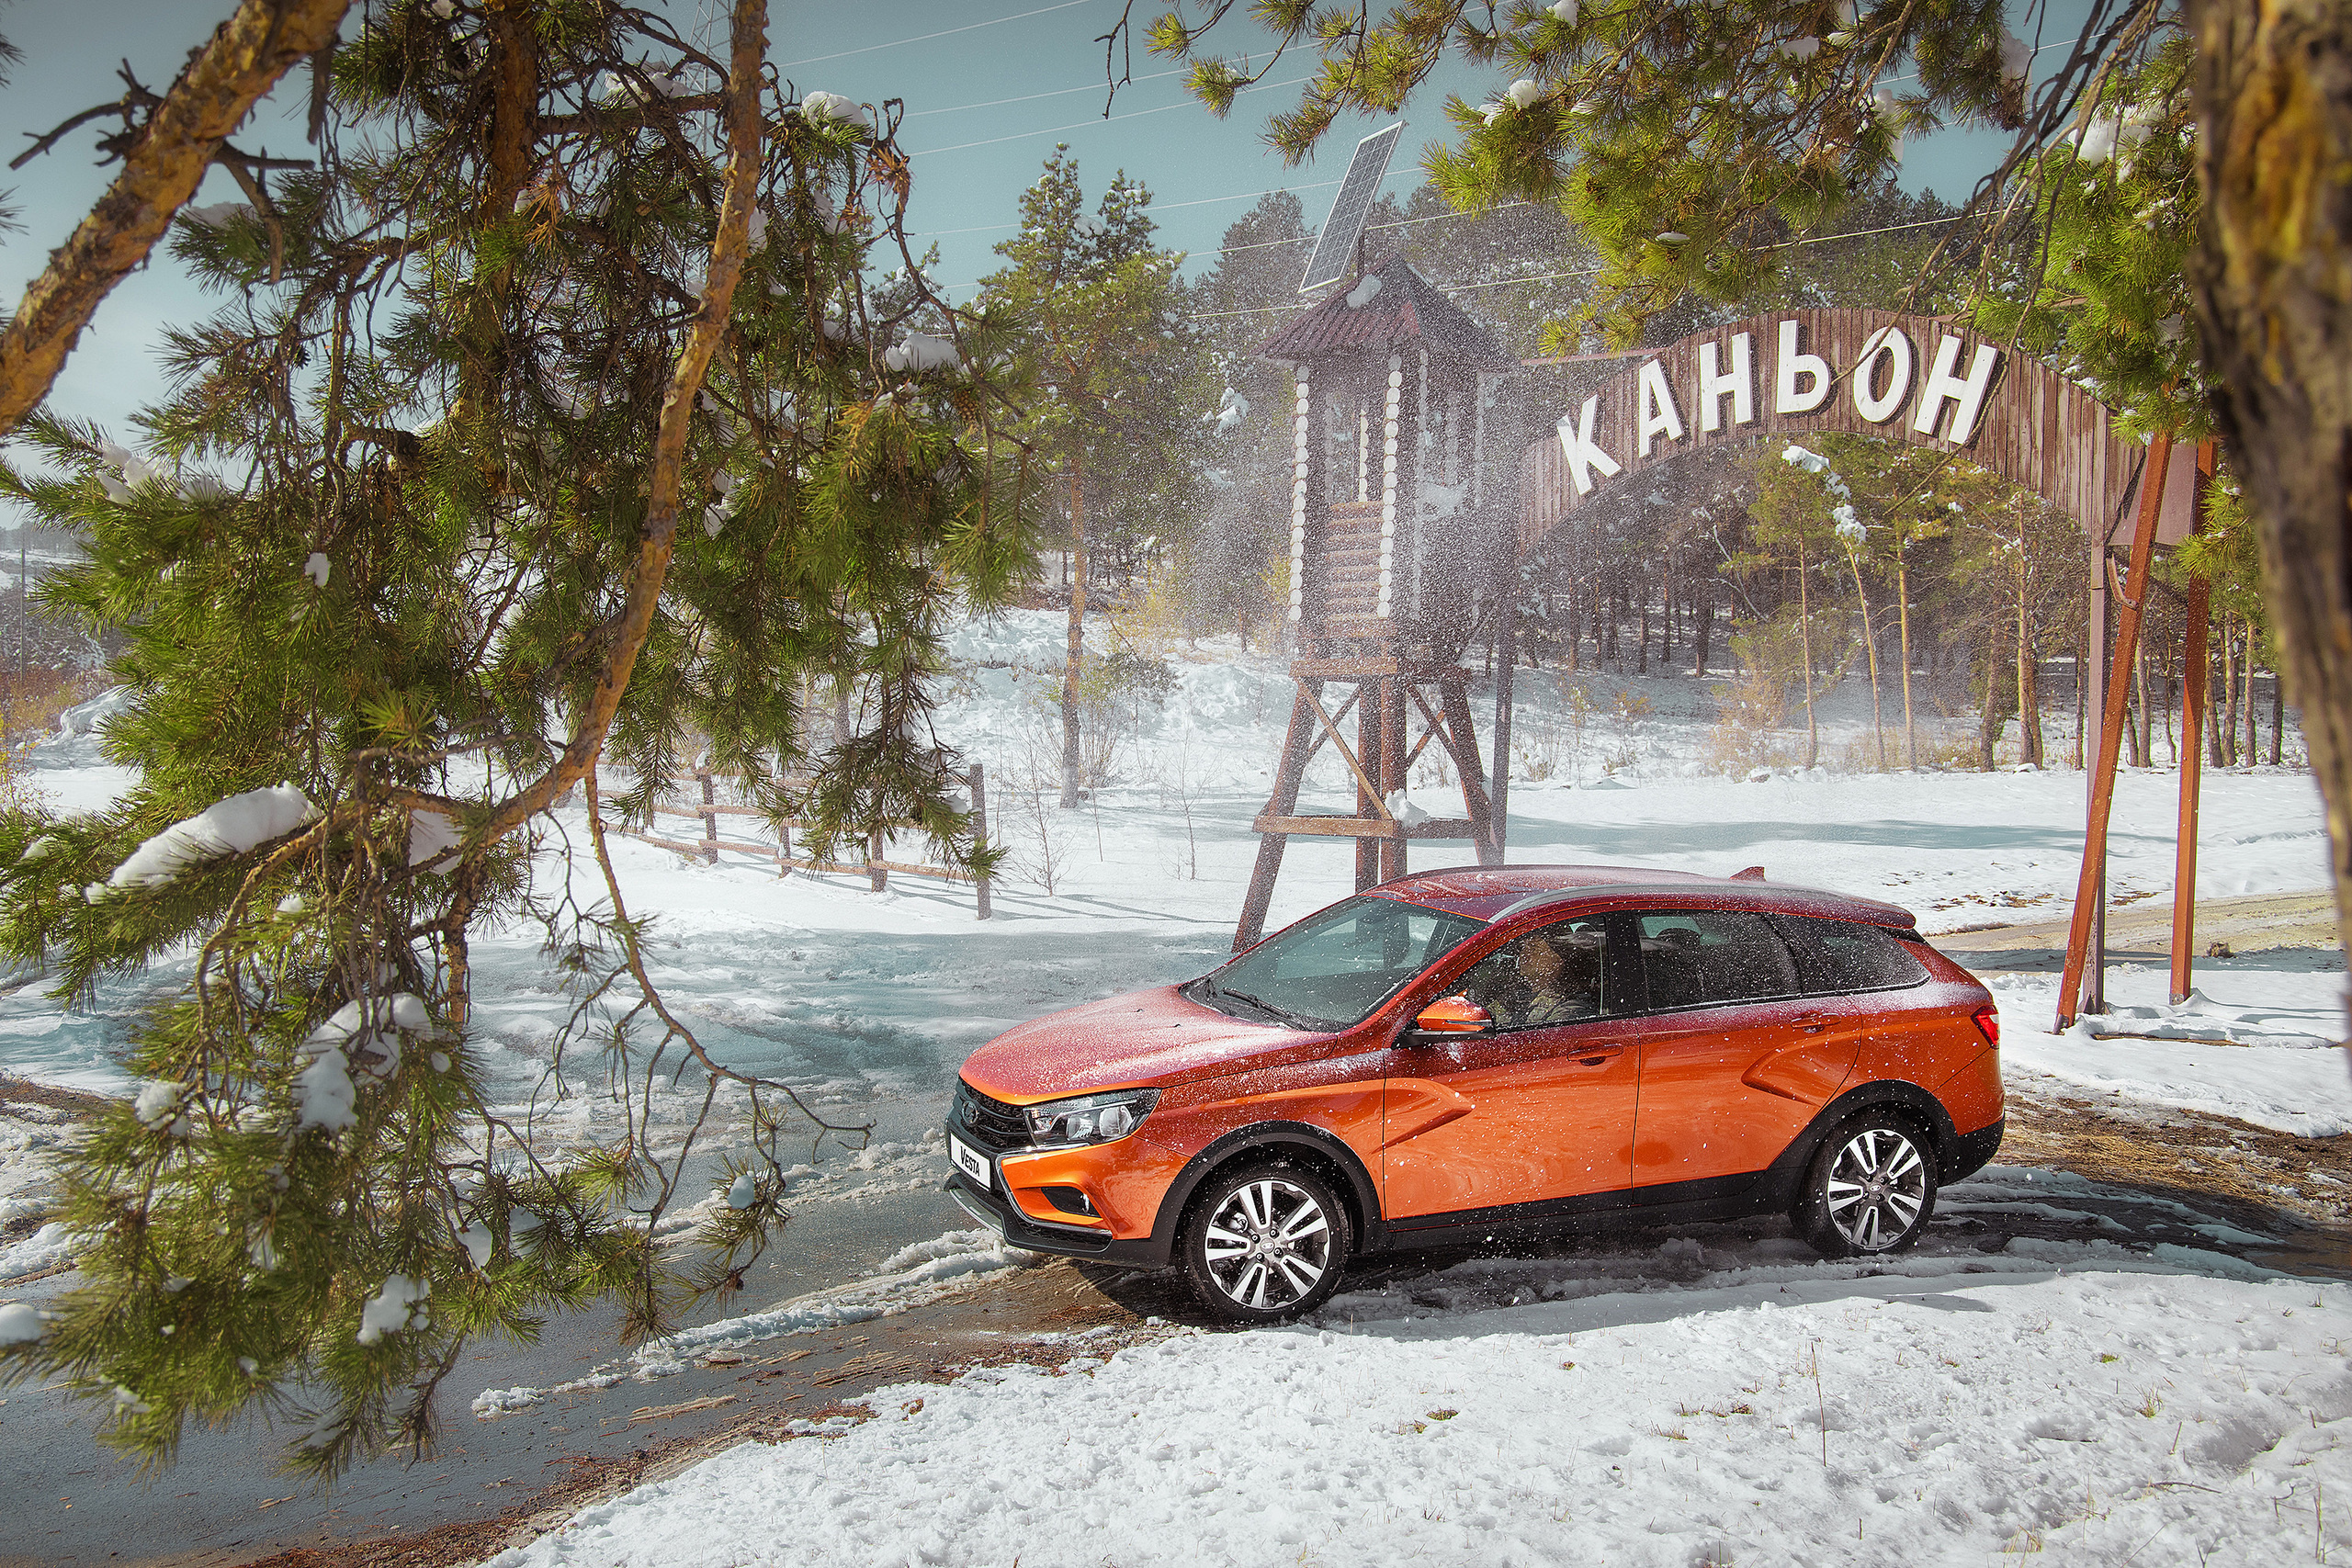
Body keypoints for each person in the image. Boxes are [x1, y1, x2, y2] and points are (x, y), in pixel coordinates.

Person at [1510, 931, 1601, 1025]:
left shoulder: (1570, 1006)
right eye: (1523, 948)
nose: (1524, 955)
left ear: (1558, 961)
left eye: (1534, 950)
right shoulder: (1523, 995)